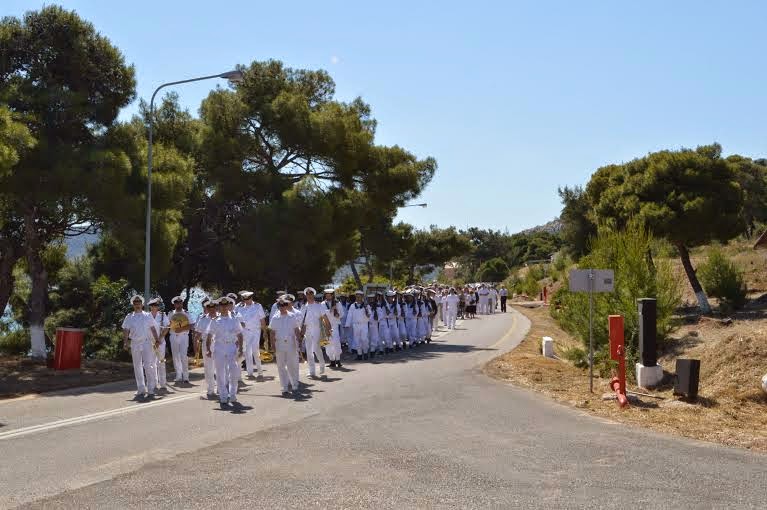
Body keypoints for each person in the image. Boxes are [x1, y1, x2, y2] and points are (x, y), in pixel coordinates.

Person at [204, 296, 244, 409]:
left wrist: (240, 348)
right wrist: (208, 349)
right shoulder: (215, 320)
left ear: (229, 306)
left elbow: (240, 334)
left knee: (234, 371)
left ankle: (232, 394)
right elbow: (209, 335)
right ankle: (223, 395)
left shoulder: (234, 319)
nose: (224, 308)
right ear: (219, 307)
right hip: (219, 347)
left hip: (231, 346)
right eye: (222, 306)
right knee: (220, 373)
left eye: (226, 305)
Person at [122, 295, 161, 399]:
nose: (137, 304)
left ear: (142, 304)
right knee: (137, 366)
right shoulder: (129, 316)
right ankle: (141, 388)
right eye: (135, 303)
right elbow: (126, 329)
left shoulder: (147, 315)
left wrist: (157, 339)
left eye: (139, 302)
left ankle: (151, 388)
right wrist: (125, 342)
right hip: (135, 343)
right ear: (133, 304)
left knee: (148, 365)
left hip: (146, 342)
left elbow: (153, 328)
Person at [269, 297, 302, 396]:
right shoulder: (275, 317)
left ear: (287, 306)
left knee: (292, 365)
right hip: (279, 344)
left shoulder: (292, 316)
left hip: (291, 343)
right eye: (281, 305)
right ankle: (284, 386)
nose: (283, 307)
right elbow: (272, 332)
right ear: (278, 307)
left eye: (284, 305)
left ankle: (294, 384)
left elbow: (296, 329)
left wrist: (299, 340)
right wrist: (272, 345)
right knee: (281, 366)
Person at [299, 287, 331, 378]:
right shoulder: (303, 307)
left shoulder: (319, 305)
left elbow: (325, 318)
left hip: (317, 329)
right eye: (308, 294)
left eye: (311, 293)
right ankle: (312, 371)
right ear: (306, 295)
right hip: (308, 330)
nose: (309, 295)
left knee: (316, 348)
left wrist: (329, 329)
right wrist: (301, 333)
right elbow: (303, 322)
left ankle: (322, 364)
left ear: (313, 295)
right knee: (309, 351)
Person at [238, 290, 266, 379]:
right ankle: (250, 372)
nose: (247, 301)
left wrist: (264, 332)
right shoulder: (240, 307)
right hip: (245, 331)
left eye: (248, 299)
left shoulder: (258, 306)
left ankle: (260, 371)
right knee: (247, 352)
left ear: (251, 298)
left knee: (255, 350)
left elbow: (262, 319)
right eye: (245, 299)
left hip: (255, 331)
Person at [195, 297, 218, 399]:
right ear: (207, 308)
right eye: (209, 307)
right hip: (206, 345)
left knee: (220, 367)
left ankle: (222, 388)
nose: (212, 309)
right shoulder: (203, 319)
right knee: (209, 368)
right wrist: (196, 348)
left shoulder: (221, 317)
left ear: (216, 307)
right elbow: (198, 335)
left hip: (220, 344)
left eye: (213, 307)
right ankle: (210, 389)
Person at [167, 296, 192, 384]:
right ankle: (178, 375)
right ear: (174, 304)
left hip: (184, 336)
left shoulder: (186, 313)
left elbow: (191, 325)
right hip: (173, 336)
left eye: (180, 303)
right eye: (176, 303)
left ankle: (185, 376)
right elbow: (167, 325)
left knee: (183, 356)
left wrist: (181, 329)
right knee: (175, 356)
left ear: (182, 303)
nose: (178, 304)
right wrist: (171, 325)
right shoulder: (170, 313)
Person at [147, 297, 170, 393]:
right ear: (150, 307)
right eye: (152, 305)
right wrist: (154, 341)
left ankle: (163, 383)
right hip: (149, 342)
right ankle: (153, 383)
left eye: (156, 305)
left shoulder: (162, 315)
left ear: (158, 306)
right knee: (151, 363)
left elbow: (166, 328)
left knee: (161, 362)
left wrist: (159, 339)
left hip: (160, 342)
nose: (154, 307)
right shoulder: (147, 316)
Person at [345, 290, 370, 360]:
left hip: (364, 325)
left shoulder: (366, 305)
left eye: (360, 297)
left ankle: (365, 353)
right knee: (357, 340)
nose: (358, 298)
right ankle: (359, 354)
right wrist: (347, 324)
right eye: (357, 297)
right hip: (355, 325)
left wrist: (366, 309)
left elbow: (369, 316)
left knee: (364, 339)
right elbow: (349, 315)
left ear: (362, 297)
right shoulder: (352, 306)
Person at [322, 288, 344, 368]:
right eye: (327, 295)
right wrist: (331, 310)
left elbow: (342, 313)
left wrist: (338, 315)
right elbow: (322, 313)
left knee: (336, 343)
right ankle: (331, 360)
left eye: (330, 295)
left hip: (334, 325)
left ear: (332, 295)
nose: (328, 296)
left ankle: (338, 359)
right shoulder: (322, 303)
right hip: (325, 326)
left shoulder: (338, 303)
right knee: (327, 344)